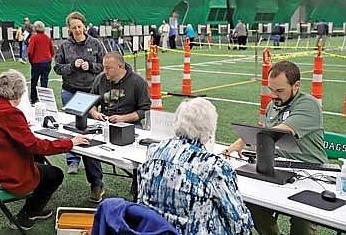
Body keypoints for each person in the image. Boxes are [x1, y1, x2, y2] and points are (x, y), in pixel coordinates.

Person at [0, 69, 90, 230]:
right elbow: (36, 146)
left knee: (39, 164)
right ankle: (27, 215)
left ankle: (33, 209)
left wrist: (21, 129)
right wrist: (70, 143)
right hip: (3, 171)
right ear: (19, 94)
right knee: (55, 174)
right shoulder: (10, 113)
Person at [223, 60, 327, 235]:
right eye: (271, 89)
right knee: (250, 202)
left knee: (302, 222)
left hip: (311, 172)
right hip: (278, 168)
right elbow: (269, 139)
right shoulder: (273, 105)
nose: (273, 95)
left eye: (279, 91)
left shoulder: (309, 104)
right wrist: (250, 145)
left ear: (296, 86)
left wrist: (244, 140)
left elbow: (280, 132)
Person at [138, 98, 253, 234]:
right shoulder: (214, 167)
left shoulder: (154, 151)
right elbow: (240, 223)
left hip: (152, 230)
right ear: (210, 130)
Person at [88, 52, 151, 203]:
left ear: (120, 66)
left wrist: (124, 118)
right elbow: (91, 102)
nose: (105, 71)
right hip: (105, 123)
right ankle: (96, 184)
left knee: (140, 155)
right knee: (86, 146)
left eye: (108, 68)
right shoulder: (100, 79)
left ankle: (138, 188)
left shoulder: (137, 82)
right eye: (104, 67)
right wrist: (95, 112)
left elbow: (144, 110)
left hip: (131, 125)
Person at [54, 11, 105, 176]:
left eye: (79, 26)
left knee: (90, 129)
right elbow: (57, 68)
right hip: (70, 92)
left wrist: (90, 66)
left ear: (84, 25)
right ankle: (72, 161)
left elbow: (104, 65)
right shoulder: (64, 46)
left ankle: (94, 168)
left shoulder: (96, 44)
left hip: (90, 93)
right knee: (71, 128)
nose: (77, 30)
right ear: (69, 29)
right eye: (73, 27)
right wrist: (72, 66)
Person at [28, 21, 54, 104]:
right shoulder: (47, 38)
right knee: (44, 81)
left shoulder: (34, 38)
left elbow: (30, 52)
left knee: (34, 81)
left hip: (37, 62)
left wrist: (31, 60)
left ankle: (34, 99)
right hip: (47, 62)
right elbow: (52, 51)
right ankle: (44, 100)